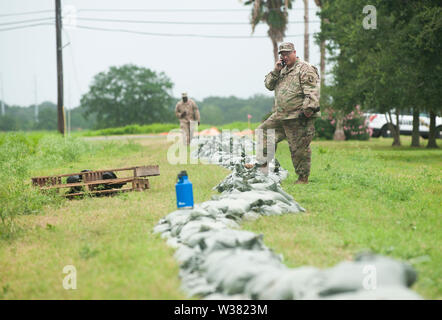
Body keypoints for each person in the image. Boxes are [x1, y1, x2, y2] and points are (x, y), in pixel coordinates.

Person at [256, 42, 320, 184]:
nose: (285, 56)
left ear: (294, 53)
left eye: (287, 53)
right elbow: (269, 85)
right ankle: (263, 169)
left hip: (298, 116)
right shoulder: (282, 69)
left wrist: (307, 112)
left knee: (298, 149)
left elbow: (312, 93)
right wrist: (276, 71)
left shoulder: (305, 69)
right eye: (282, 54)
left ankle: (302, 178)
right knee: (264, 132)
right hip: (281, 115)